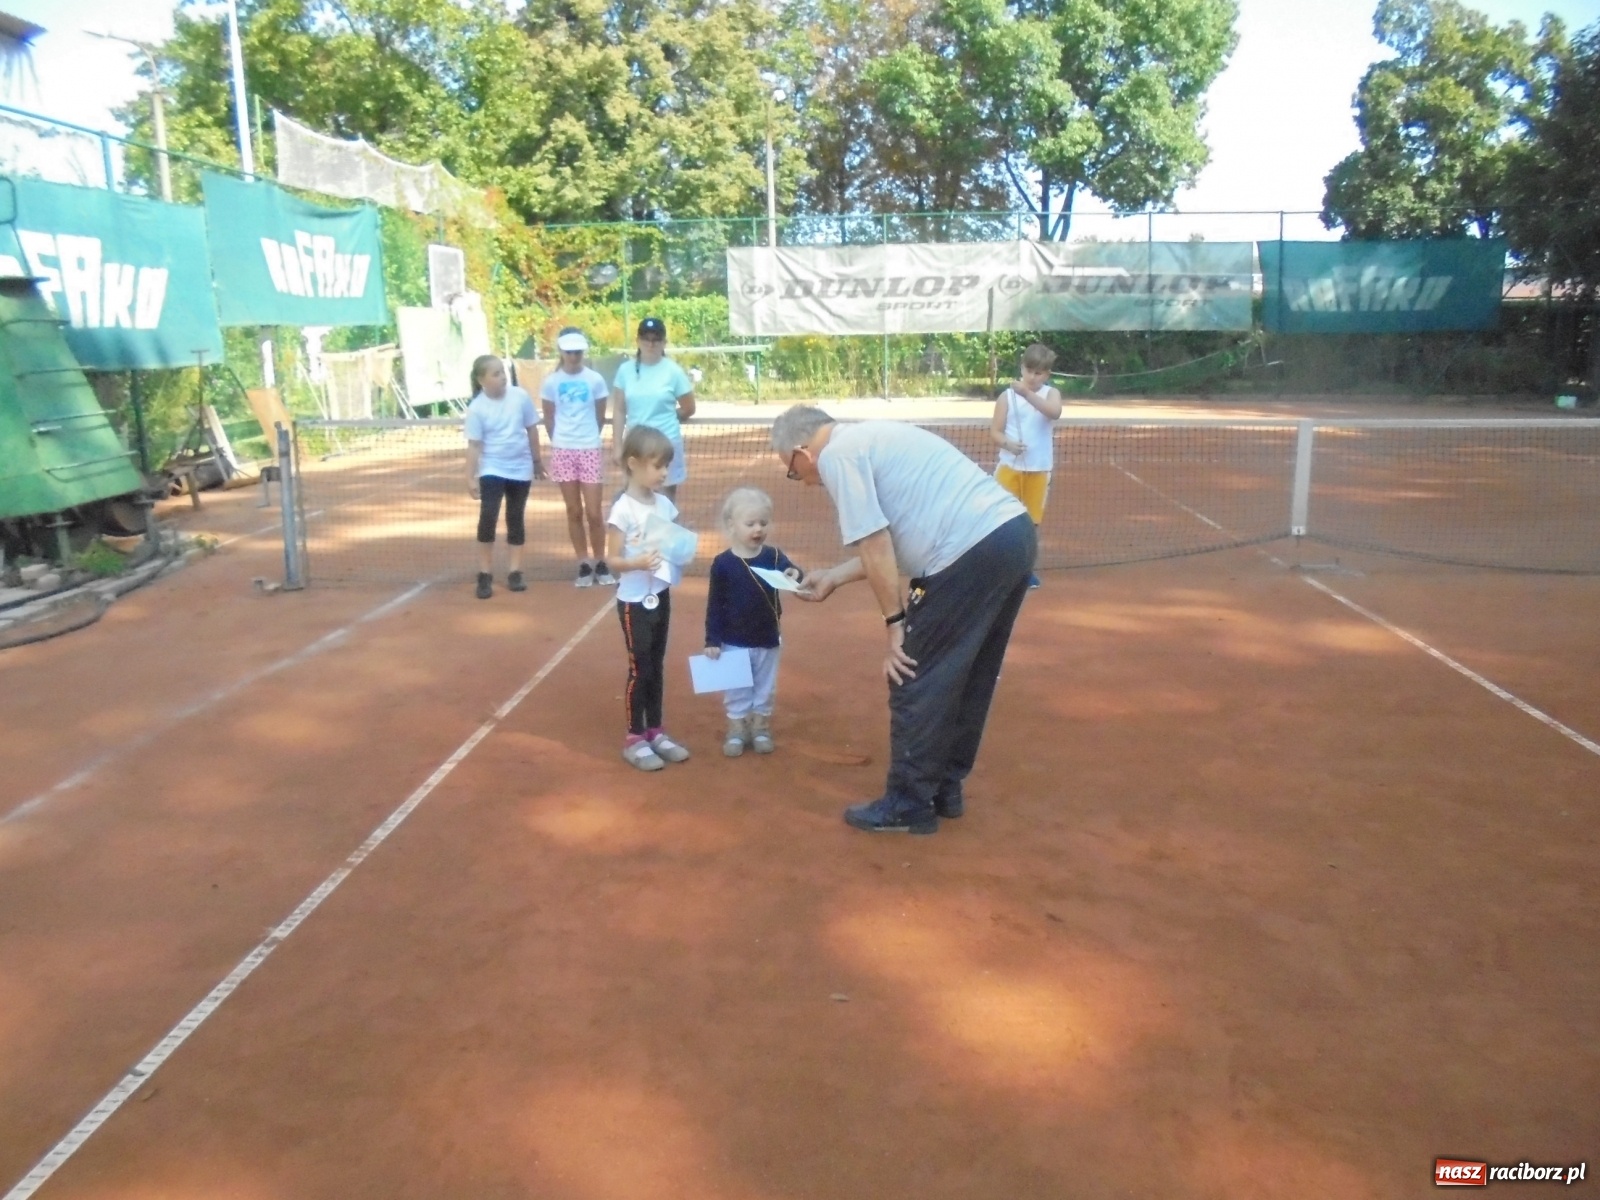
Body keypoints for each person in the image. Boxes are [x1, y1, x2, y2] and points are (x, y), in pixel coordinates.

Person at [774, 405, 1033, 834]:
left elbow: (875, 543)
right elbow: (894, 542)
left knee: (911, 673)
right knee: (969, 674)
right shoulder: (870, 437)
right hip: (1012, 536)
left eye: (793, 471)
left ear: (803, 451)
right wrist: (834, 578)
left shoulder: (838, 456)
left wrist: (896, 625)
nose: (802, 482)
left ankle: (909, 803)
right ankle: (944, 788)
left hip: (968, 551)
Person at [608, 425, 693, 771]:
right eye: (657, 466)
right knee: (639, 668)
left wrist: (679, 553)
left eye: (666, 467)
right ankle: (634, 737)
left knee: (656, 666)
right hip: (633, 602)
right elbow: (612, 561)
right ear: (633, 463)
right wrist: (636, 562)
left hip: (660, 594)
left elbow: (674, 544)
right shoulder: (622, 510)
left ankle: (656, 731)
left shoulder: (664, 505)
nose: (663, 474)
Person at [703, 487, 804, 758]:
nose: (758, 529)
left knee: (765, 686)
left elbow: (792, 571)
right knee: (737, 687)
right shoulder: (722, 564)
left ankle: (760, 726)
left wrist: (795, 572)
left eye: (763, 523)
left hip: (768, 637)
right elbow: (714, 605)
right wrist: (712, 640)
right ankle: (737, 727)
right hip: (734, 640)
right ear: (731, 525)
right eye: (750, 524)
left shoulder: (772, 556)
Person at [541, 326, 615, 588]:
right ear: (561, 352)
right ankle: (583, 563)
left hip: (589, 449)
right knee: (573, 510)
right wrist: (561, 441)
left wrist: (587, 439)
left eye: (578, 352)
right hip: (563, 450)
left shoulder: (595, 380)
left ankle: (600, 560)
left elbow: (600, 415)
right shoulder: (551, 382)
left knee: (594, 512)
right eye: (569, 352)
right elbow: (549, 417)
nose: (574, 356)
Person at [465, 354, 543, 600]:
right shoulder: (477, 408)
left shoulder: (519, 397)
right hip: (492, 468)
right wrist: (470, 477)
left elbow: (532, 429)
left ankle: (515, 572)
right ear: (482, 379)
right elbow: (474, 445)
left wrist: (537, 460)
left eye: (502, 372)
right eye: (495, 374)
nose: (502, 377)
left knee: (515, 517)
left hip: (520, 468)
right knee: (488, 515)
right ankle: (485, 574)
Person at [989, 342, 1063, 589]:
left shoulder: (1051, 394)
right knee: (1000, 519)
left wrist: (1027, 394)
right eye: (1029, 370)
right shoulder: (1006, 397)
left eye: (1039, 372)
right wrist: (1008, 445)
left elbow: (1054, 412)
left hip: (1039, 470)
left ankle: (1024, 571)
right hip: (1009, 468)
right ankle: (997, 567)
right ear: (1022, 368)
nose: (1032, 377)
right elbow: (996, 432)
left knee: (1031, 524)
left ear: (1047, 374)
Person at [612, 317, 696, 503]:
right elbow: (619, 410)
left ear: (663, 342)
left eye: (656, 339)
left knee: (665, 503)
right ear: (638, 341)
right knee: (634, 502)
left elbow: (689, 408)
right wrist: (617, 446)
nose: (651, 343)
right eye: (646, 338)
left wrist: (667, 419)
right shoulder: (625, 371)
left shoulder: (673, 371)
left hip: (666, 445)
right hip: (635, 446)